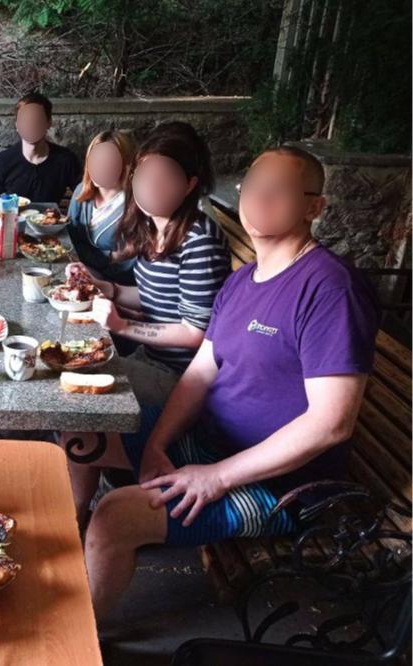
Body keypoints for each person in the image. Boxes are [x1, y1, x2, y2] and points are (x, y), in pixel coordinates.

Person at [74, 146, 381, 617]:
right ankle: (74, 541)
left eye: (278, 190)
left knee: (115, 515)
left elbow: (331, 423)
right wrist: (157, 443)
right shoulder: (242, 282)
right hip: (210, 444)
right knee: (82, 431)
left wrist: (216, 477)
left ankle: (80, 637)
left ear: (313, 207)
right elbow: (201, 372)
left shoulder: (331, 288)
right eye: (252, 186)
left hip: (280, 486)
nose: (259, 198)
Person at [66, 122, 231, 408]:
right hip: (150, 355)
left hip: (181, 376)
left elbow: (196, 333)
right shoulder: (152, 226)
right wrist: (103, 286)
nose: (150, 187)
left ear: (189, 185)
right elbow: (154, 295)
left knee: (76, 381)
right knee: (69, 358)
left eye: (164, 179)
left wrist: (122, 326)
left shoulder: (200, 241)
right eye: (144, 176)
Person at [66, 130, 137, 286]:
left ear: (125, 164)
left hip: (119, 288)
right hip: (79, 274)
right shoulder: (81, 192)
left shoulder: (136, 205)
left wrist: (88, 259)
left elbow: (126, 263)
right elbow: (70, 240)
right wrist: (108, 255)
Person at [0, 92, 82, 203]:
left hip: (50, 214)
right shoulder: (2, 161)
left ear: (48, 123)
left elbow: (86, 195)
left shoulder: (65, 159)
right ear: (17, 125)